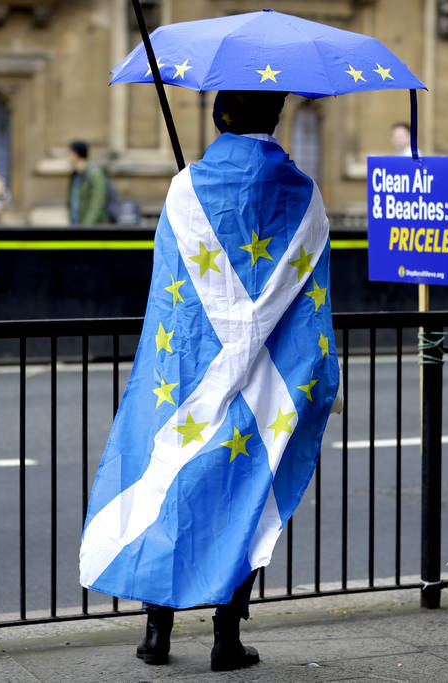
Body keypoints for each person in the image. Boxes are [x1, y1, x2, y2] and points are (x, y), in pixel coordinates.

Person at [79, 90, 339, 672]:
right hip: (268, 386)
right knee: (243, 494)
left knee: (171, 484)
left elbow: (169, 300)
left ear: (220, 118)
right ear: (276, 118)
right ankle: (226, 639)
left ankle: (156, 632)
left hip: (187, 380)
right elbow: (312, 303)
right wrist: (314, 378)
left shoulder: (184, 190)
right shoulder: (304, 194)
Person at [67, 139, 111, 224]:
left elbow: (98, 203)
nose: (67, 157)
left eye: (69, 153)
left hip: (93, 228)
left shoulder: (95, 174)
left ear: (75, 154)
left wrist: (87, 226)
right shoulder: (74, 175)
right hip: (76, 224)